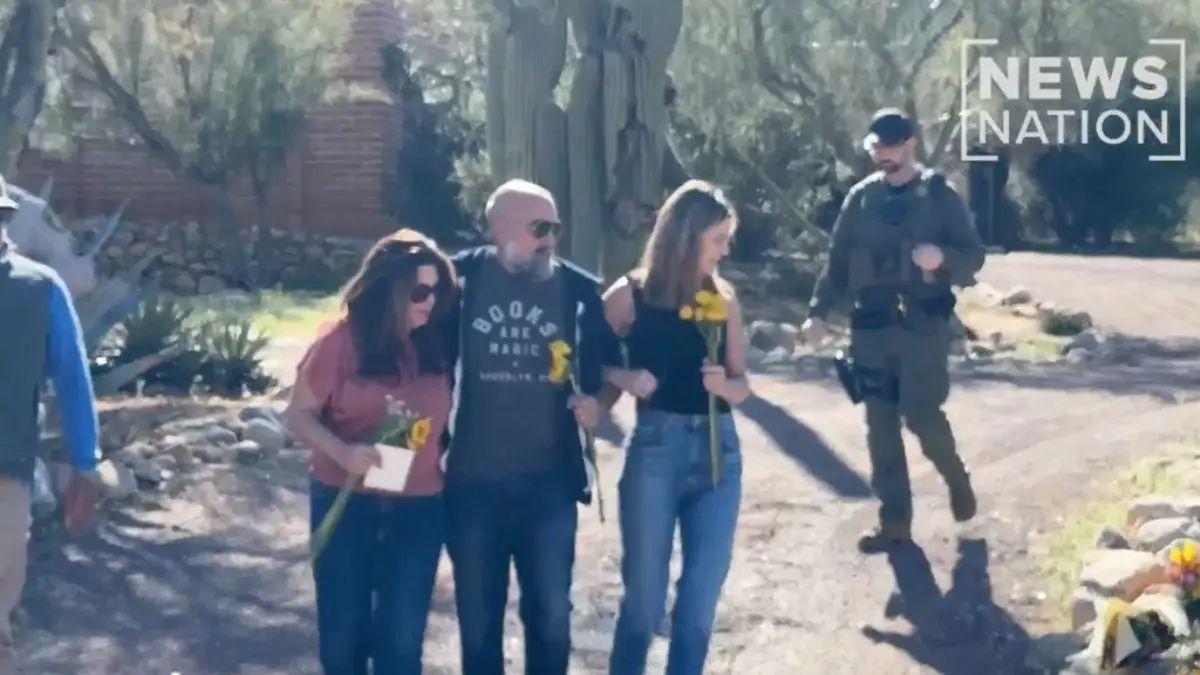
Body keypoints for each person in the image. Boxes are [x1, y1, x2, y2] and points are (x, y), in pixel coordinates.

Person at [442, 179, 615, 674]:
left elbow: (606, 374)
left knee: (552, 616)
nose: (550, 239)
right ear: (500, 229)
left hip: (548, 487)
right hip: (472, 486)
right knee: (478, 623)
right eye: (539, 227)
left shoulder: (580, 291)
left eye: (555, 228)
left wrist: (598, 404)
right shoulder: (458, 283)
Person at [801, 107, 986, 553]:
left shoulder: (940, 195)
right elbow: (838, 260)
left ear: (910, 145)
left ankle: (955, 477)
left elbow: (973, 256)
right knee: (880, 427)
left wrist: (941, 257)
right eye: (876, 149)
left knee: (921, 417)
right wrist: (819, 312)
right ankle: (895, 522)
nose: (883, 157)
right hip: (871, 327)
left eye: (890, 148)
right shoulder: (862, 199)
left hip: (922, 327)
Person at [285, 229, 457, 675]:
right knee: (344, 641)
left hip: (419, 506)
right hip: (346, 503)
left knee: (401, 644)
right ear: (390, 290)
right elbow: (298, 416)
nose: (430, 302)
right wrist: (343, 452)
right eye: (420, 292)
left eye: (438, 292)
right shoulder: (338, 345)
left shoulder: (438, 340)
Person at [602, 180, 752, 675]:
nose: (726, 250)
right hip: (655, 451)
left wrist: (723, 386)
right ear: (687, 236)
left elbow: (741, 384)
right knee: (644, 604)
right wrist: (621, 375)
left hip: (718, 456)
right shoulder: (631, 294)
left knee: (697, 607)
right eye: (718, 239)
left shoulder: (723, 298)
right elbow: (589, 358)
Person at [0, 173, 100, 675]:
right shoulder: (40, 289)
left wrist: (85, 466)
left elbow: (72, 380)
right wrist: (85, 466)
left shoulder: (40, 288)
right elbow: (73, 381)